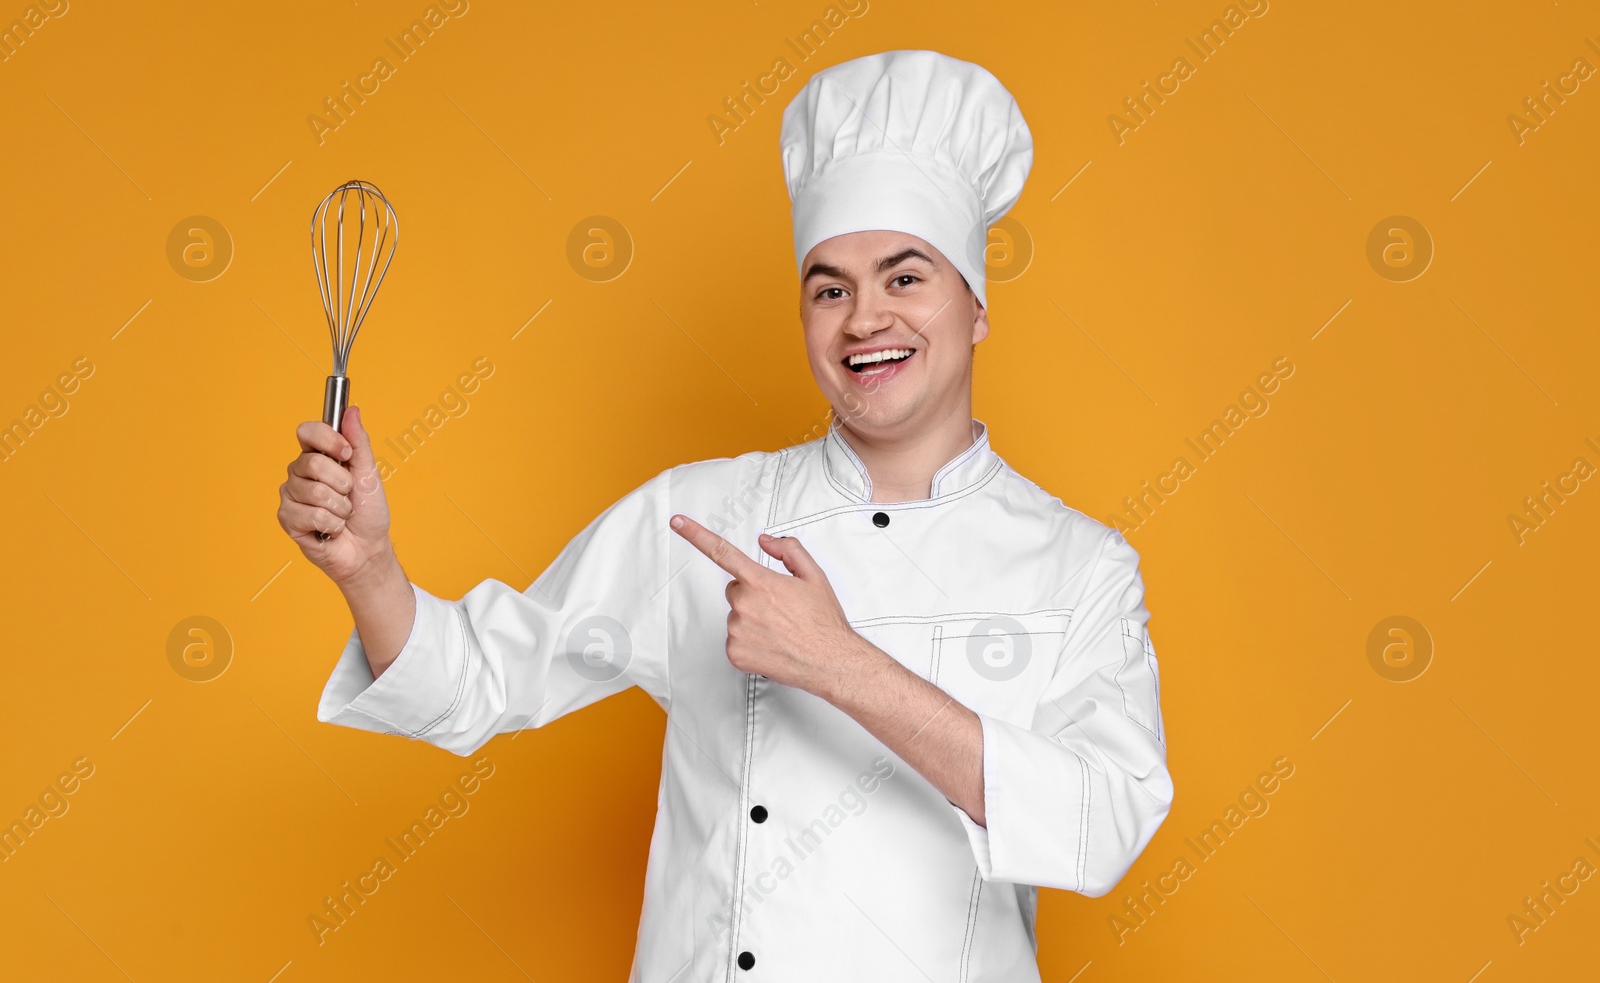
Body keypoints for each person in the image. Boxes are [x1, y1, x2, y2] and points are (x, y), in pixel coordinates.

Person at [277, 49, 1172, 981]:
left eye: (905, 278)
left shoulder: (1078, 564)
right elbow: (472, 682)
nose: (866, 319)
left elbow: (1104, 826)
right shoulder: (703, 514)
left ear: (975, 305)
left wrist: (841, 663)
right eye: (830, 288)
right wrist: (368, 567)